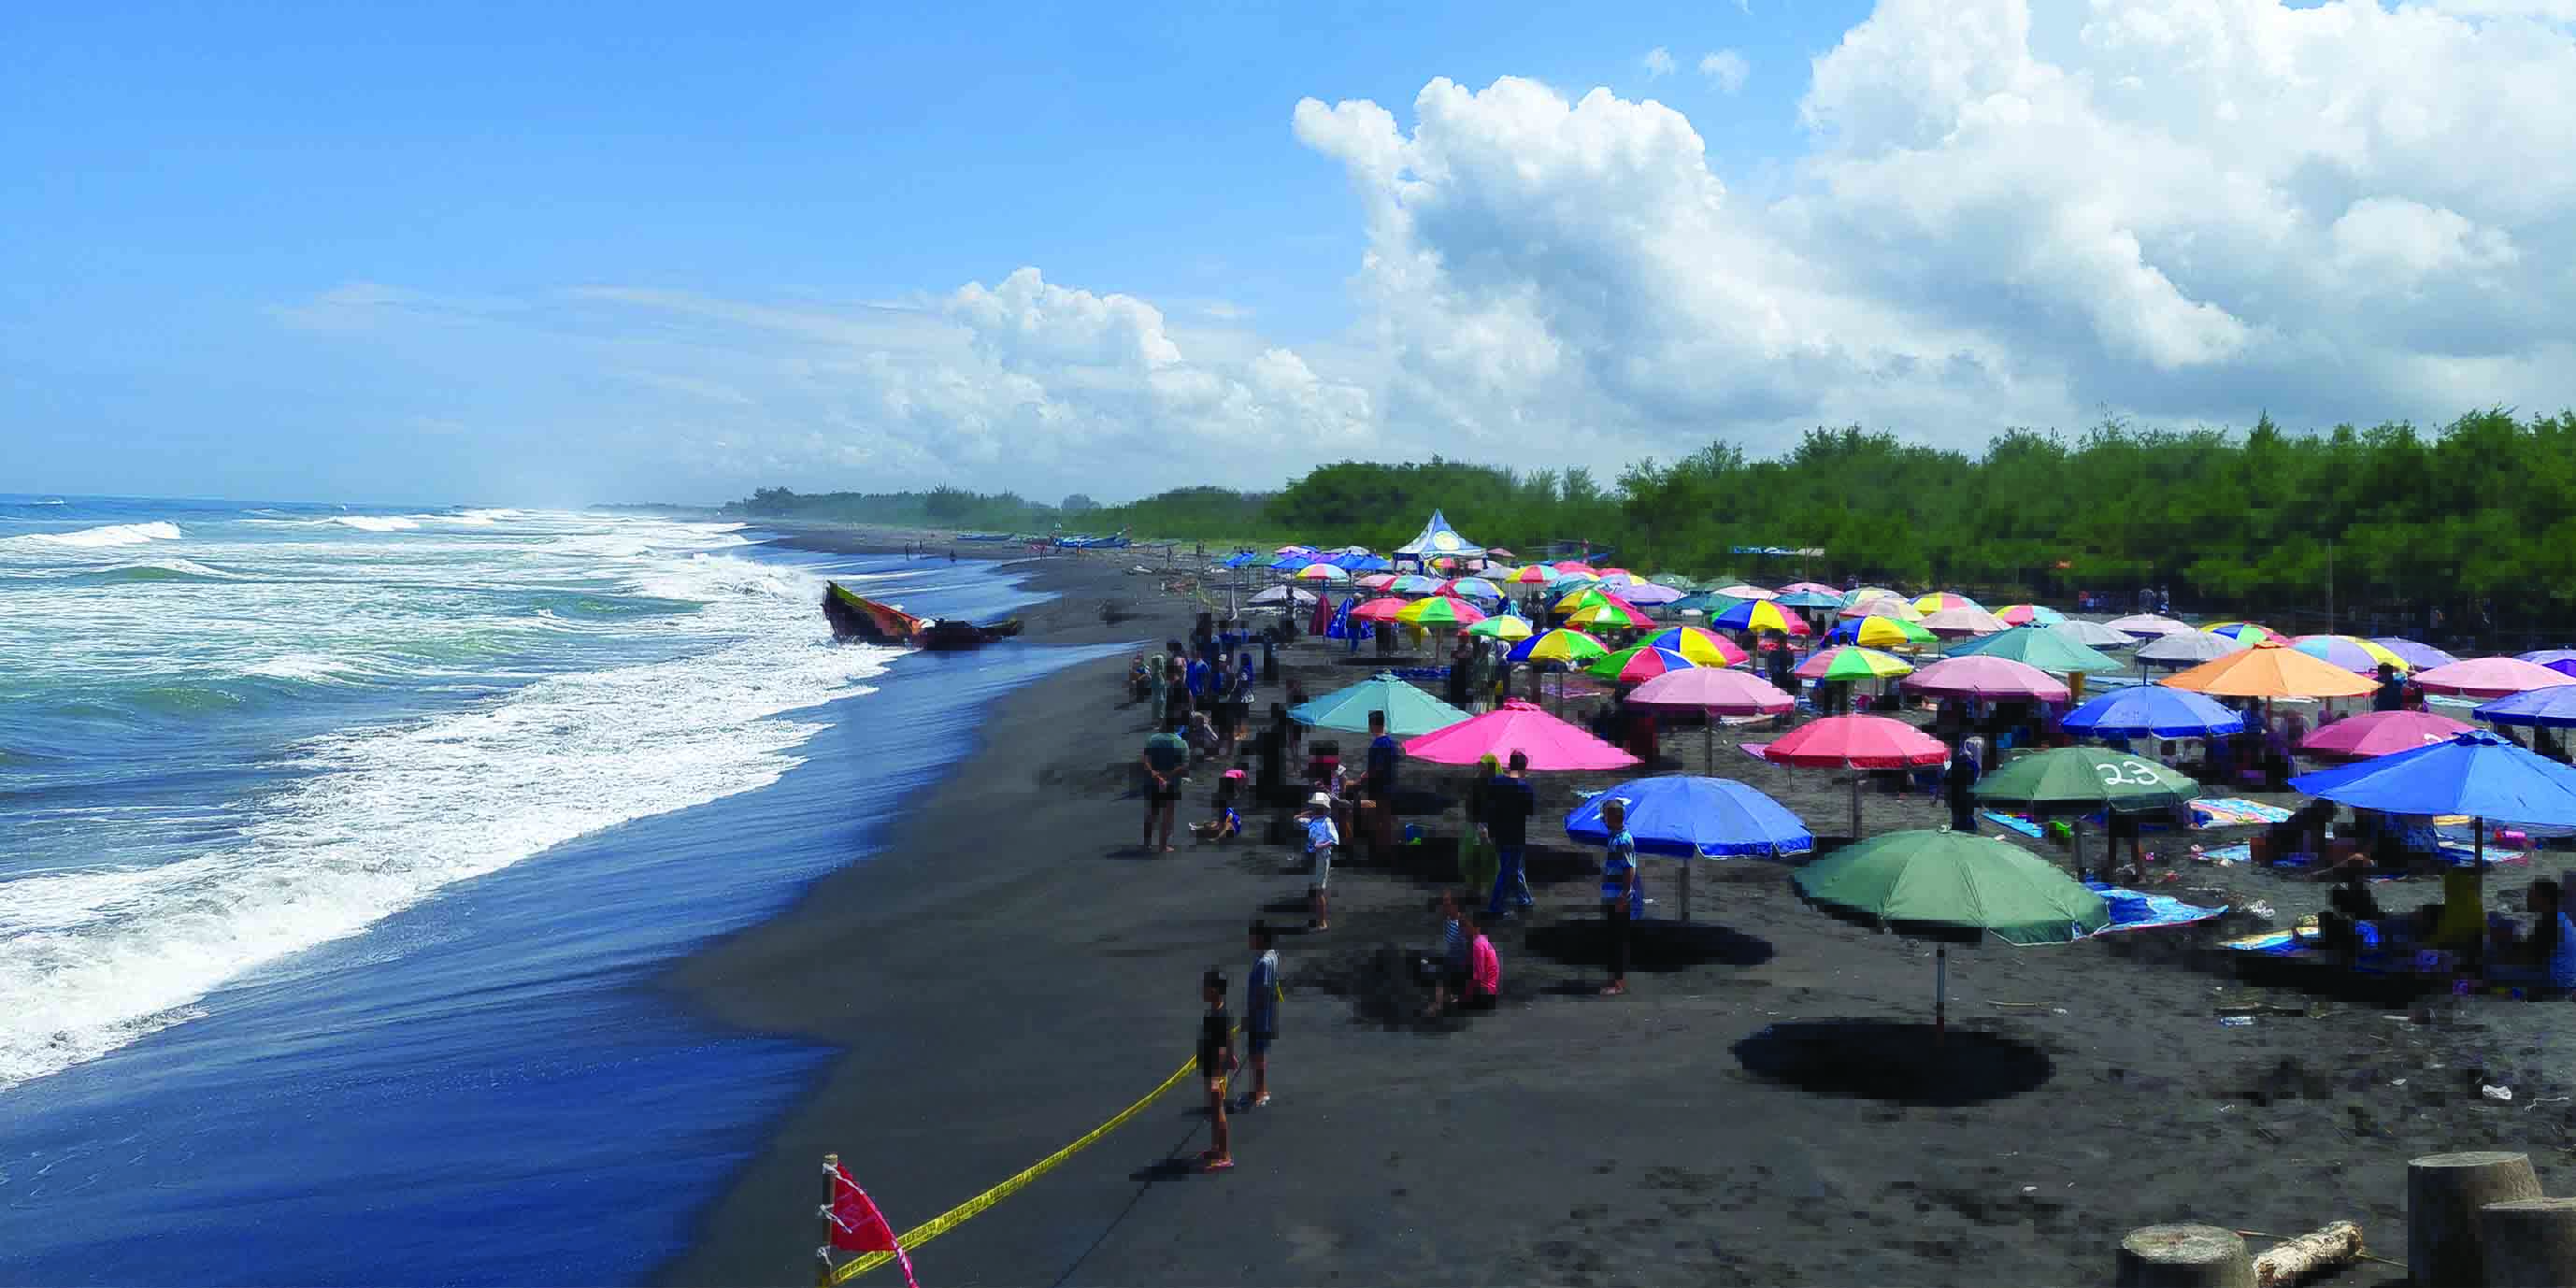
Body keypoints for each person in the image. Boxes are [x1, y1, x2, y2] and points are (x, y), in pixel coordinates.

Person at [1481, 750, 1538, 917]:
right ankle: (1495, 907)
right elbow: (1530, 811)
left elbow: (1488, 806)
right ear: (1524, 768)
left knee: (1512, 867)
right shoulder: (1525, 788)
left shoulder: (1496, 782)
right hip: (1515, 834)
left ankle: (1523, 899)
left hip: (1497, 832)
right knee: (1508, 870)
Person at [1195, 967, 1235, 1172]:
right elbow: (1229, 1038)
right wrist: (1232, 1055)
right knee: (1213, 1109)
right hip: (1211, 1066)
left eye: (1205, 986)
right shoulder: (1216, 1011)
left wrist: (1216, 1077)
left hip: (1215, 1070)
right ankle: (1216, 1147)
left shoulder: (1219, 1015)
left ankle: (1225, 1154)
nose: (1202, 989)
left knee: (1218, 1110)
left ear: (1214, 990)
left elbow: (1221, 1046)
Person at [1600, 797, 1639, 996]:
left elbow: (1629, 868)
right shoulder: (1614, 837)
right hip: (1611, 895)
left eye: (1605, 815)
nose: (1603, 819)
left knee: (1618, 939)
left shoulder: (1623, 840)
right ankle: (1614, 977)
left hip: (1618, 897)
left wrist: (1624, 895)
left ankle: (1619, 982)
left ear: (1614, 817)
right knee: (1612, 938)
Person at [1242, 923, 1280, 1109]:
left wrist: (1250, 1016)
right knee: (1259, 1053)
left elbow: (1262, 991)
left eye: (1252, 936)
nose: (1249, 940)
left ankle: (1259, 1093)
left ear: (1260, 938)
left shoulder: (1264, 962)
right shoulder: (1272, 955)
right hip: (1267, 1016)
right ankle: (1260, 1089)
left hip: (1260, 1017)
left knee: (1256, 1055)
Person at [1140, 717, 1190, 852]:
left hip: (1152, 782)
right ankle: (1163, 846)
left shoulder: (1152, 739)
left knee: (1151, 813)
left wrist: (1155, 774)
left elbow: (1145, 760)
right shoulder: (1181, 743)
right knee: (1167, 814)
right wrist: (1168, 776)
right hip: (1171, 784)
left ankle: (1147, 844)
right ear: (1175, 728)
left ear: (1162, 726)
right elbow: (1184, 766)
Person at [1459, 754, 1502, 902]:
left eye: (1483, 765)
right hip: (1476, 825)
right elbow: (1470, 804)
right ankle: (1474, 888)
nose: (1480, 767)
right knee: (1471, 858)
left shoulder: (1498, 784)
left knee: (1489, 859)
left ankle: (1489, 891)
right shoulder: (1477, 783)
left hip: (1490, 826)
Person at [1424, 890, 1471, 1018]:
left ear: (1455, 906)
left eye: (1447, 904)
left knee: (1439, 973)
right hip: (1453, 956)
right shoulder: (1448, 918)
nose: (1443, 907)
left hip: (1460, 961)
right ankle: (1449, 994)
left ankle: (1438, 1003)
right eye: (1443, 904)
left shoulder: (1462, 924)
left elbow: (1469, 948)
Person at [1300, 791, 1339, 931]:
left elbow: (1335, 840)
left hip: (1321, 857)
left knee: (1318, 891)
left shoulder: (1327, 822)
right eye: (1315, 806)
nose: (1316, 809)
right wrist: (1308, 813)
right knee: (1313, 888)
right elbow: (1296, 819)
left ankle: (1322, 922)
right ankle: (1315, 916)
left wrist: (1320, 846)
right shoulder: (1313, 820)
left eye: (1318, 807)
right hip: (1312, 856)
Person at [1192, 766, 1245, 843]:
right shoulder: (1229, 818)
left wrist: (1215, 839)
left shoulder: (1229, 822)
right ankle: (1203, 827)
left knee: (1219, 823)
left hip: (1229, 819)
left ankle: (1203, 827)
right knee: (1218, 823)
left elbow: (1225, 827)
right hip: (1229, 818)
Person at [1465, 910, 1501, 1009]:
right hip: (1489, 991)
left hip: (1485, 993)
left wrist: (1465, 994)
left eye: (1468, 926)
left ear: (1477, 927)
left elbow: (1478, 975)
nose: (1465, 929)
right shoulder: (1482, 939)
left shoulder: (1477, 945)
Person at [1365, 709, 1399, 804]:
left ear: (1372, 725)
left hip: (1379, 789)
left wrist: (1365, 776)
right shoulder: (1391, 743)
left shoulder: (1377, 744)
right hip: (1390, 787)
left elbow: (1377, 768)